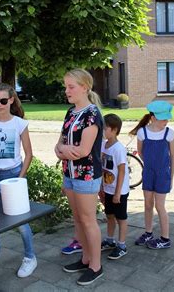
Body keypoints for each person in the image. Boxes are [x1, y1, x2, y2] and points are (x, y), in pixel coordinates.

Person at [0, 83, 36, 277]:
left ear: (11, 100)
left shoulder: (19, 123)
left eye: (3, 100)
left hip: (14, 174)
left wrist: (20, 179)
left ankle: (30, 257)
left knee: (19, 220)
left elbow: (29, 154)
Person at [55, 68, 104, 286]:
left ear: (85, 87)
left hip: (86, 176)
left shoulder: (92, 114)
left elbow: (83, 151)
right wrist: (65, 149)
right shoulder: (70, 112)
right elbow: (59, 144)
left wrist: (63, 149)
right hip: (69, 173)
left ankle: (96, 265)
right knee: (78, 220)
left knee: (88, 220)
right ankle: (85, 258)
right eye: (66, 86)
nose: (67, 91)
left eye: (71, 86)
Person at [130, 100, 174, 249]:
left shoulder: (169, 133)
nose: (167, 121)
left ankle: (165, 238)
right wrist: (149, 166)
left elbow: (173, 157)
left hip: (163, 174)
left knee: (160, 206)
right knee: (148, 204)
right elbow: (141, 152)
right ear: (154, 118)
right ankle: (148, 233)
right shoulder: (142, 132)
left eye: (168, 118)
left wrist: (171, 176)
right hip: (148, 173)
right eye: (164, 118)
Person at [99, 113, 130, 260]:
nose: (102, 131)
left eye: (105, 128)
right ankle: (110, 240)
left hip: (119, 191)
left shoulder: (119, 149)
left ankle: (122, 245)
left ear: (114, 130)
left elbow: (122, 171)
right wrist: (101, 188)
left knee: (121, 218)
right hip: (107, 188)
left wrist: (118, 193)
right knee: (109, 215)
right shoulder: (103, 145)